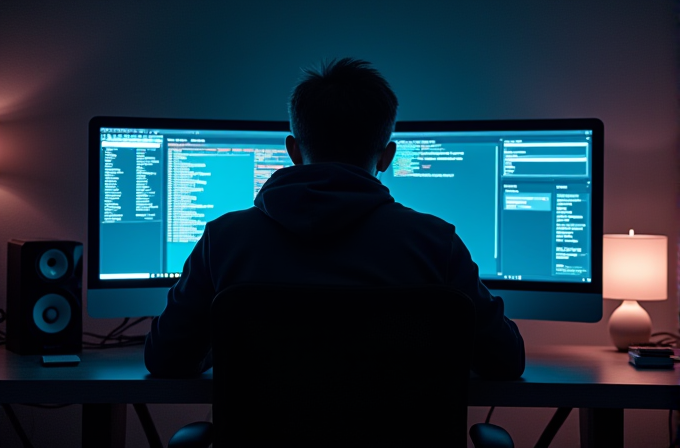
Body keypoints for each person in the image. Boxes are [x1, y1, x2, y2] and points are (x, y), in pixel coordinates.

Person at [144, 57, 525, 380]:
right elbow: (506, 361)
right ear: (386, 157)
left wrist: (221, 347)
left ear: (293, 150)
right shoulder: (434, 242)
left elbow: (164, 358)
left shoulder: (224, 239)